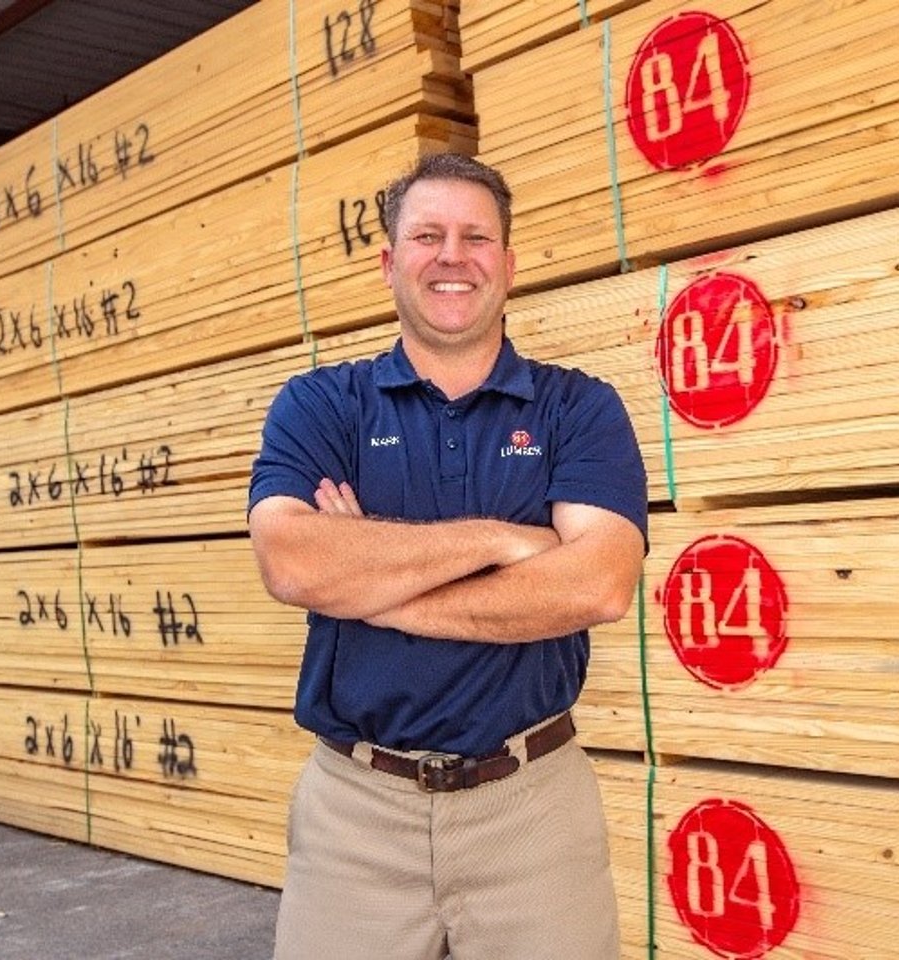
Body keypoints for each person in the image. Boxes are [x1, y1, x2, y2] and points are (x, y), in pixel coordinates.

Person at [246, 153, 648, 960]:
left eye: (477, 237)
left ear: (508, 262)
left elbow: (600, 583)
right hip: (356, 813)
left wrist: (369, 584)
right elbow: (292, 561)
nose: (452, 256)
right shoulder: (323, 404)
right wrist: (500, 541)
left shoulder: (580, 408)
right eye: (427, 235)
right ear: (390, 263)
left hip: (531, 808)